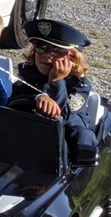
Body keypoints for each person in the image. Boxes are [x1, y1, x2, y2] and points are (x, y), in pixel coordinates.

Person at [8, 19, 99, 164]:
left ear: (72, 57)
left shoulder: (79, 85)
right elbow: (12, 103)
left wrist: (56, 82)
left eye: (57, 50)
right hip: (25, 143)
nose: (47, 55)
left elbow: (68, 118)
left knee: (82, 133)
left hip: (62, 150)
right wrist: (37, 99)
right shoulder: (28, 74)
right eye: (40, 47)